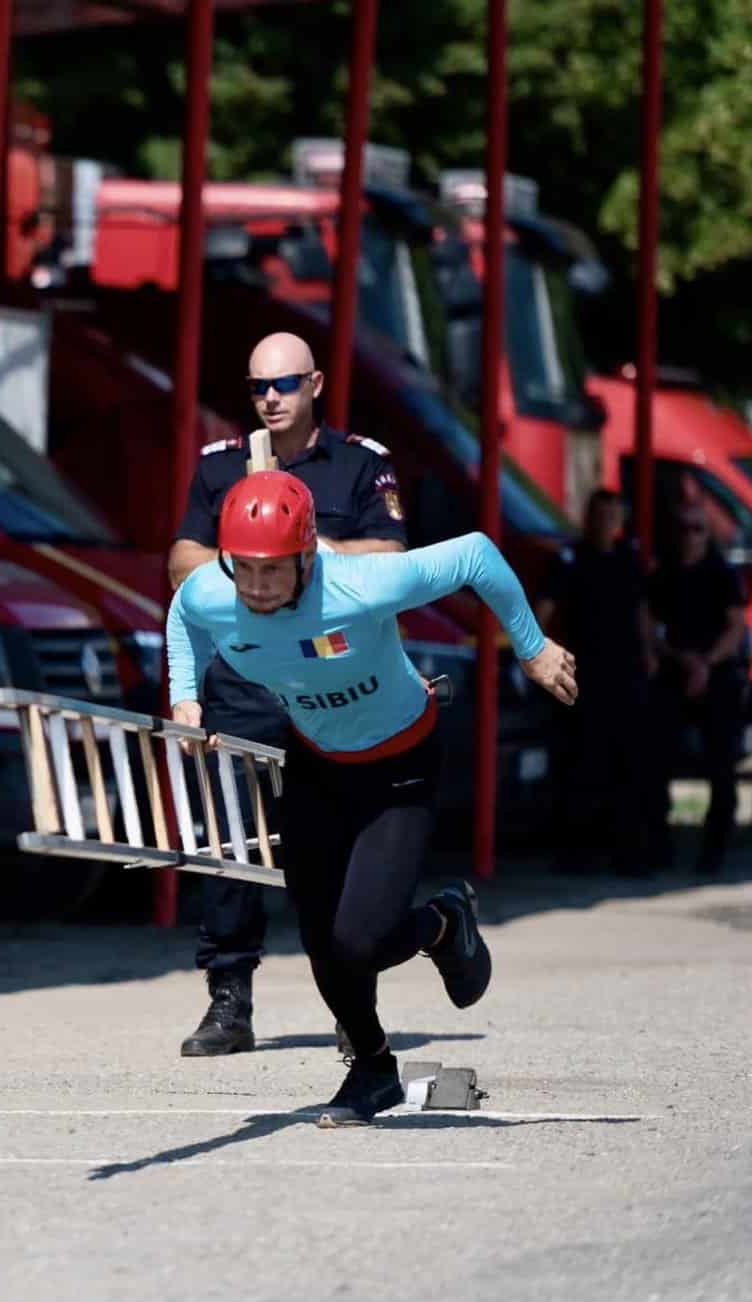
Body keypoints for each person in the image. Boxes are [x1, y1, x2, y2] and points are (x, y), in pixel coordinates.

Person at [167, 469, 577, 1126]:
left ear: (308, 556)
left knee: (360, 939)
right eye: (244, 569)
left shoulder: (359, 585)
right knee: (320, 939)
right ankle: (373, 1067)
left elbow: (476, 553)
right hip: (316, 764)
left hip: (399, 764)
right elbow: (182, 610)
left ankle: (445, 922)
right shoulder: (218, 593)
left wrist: (531, 648)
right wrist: (185, 697)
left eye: (274, 571)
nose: (258, 587)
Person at [166, 331, 406, 1058]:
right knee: (233, 842)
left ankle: (349, 998)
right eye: (258, 387)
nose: (271, 398)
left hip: (334, 689)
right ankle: (228, 998)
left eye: (286, 385)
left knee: (331, 846)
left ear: (317, 385)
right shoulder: (220, 468)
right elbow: (182, 560)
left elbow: (390, 555)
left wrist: (307, 549)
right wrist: (248, 560)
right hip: (244, 684)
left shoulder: (361, 464)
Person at [534, 489, 655, 874]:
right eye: (599, 515)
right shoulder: (570, 561)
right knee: (584, 767)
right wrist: (534, 654)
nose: (606, 523)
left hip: (627, 677)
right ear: (588, 518)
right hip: (583, 679)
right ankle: (578, 855)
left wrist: (651, 652)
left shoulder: (628, 560)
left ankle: (629, 855)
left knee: (630, 767)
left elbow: (641, 611)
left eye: (613, 516)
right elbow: (543, 610)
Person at [646, 507, 749, 875]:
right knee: (656, 761)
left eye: (698, 529)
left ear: (708, 534)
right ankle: (659, 845)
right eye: (684, 528)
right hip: (676, 670)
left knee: (721, 766)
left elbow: (736, 628)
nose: (690, 536)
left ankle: (714, 849)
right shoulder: (664, 572)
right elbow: (648, 622)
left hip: (717, 674)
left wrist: (706, 663)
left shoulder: (722, 574)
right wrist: (674, 657)